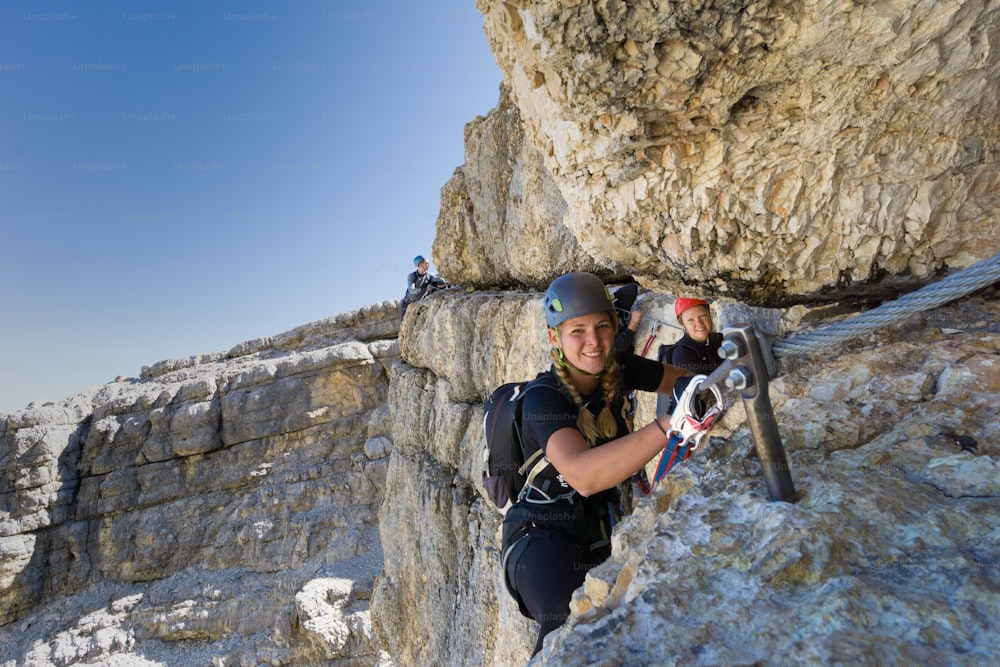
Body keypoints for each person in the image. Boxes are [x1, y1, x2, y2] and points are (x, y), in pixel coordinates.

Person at [501, 272, 693, 656]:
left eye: (603, 326)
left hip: (600, 530)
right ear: (555, 337)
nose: (594, 342)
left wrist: (712, 382)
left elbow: (684, 382)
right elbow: (584, 475)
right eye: (578, 331)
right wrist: (671, 425)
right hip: (539, 538)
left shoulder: (617, 368)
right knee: (565, 624)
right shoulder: (543, 400)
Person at [656, 297, 724, 417]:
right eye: (690, 320)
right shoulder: (682, 353)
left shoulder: (717, 340)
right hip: (696, 412)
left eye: (702, 316)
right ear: (683, 324)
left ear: (709, 315)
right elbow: (701, 390)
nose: (699, 323)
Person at [400, 255, 447, 319]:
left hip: (419, 302)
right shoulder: (412, 276)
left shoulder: (429, 275)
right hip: (408, 302)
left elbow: (441, 280)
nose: (429, 265)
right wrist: (422, 288)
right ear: (420, 265)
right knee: (404, 322)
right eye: (426, 263)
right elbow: (411, 290)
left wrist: (439, 282)